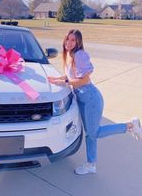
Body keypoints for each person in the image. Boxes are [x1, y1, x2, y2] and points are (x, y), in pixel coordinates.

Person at [48, 29, 142, 175]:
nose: (69, 42)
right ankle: (91, 164)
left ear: (78, 42)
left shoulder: (79, 55)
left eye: (73, 40)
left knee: (94, 133)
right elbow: (69, 75)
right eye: (68, 39)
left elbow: (84, 80)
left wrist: (66, 81)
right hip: (83, 99)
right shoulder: (69, 56)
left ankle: (129, 126)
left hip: (91, 98)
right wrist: (56, 80)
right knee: (90, 134)